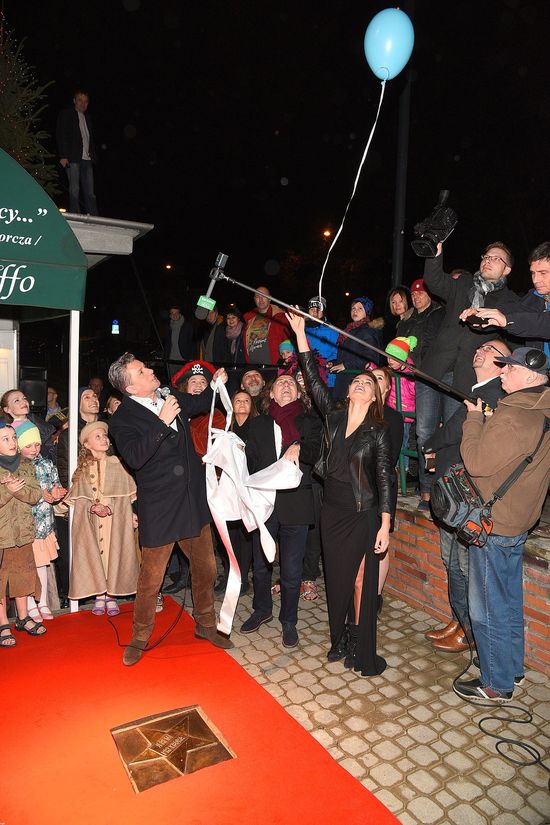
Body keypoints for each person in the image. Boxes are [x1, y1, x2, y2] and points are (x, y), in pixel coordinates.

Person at [107, 353, 232, 665]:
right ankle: (139, 636)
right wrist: (161, 421)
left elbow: (200, 403)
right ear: (130, 387)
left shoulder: (169, 395)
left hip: (192, 501)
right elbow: (135, 457)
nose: (150, 370)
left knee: (206, 567)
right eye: (141, 371)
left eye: (146, 367)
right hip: (160, 508)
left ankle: (205, 625)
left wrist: (215, 386)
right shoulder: (121, 420)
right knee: (151, 579)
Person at [290, 311, 392, 676]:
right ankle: (340, 638)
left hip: (363, 512)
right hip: (332, 509)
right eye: (357, 381)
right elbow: (313, 379)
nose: (361, 384)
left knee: (362, 579)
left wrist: (385, 524)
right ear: (347, 391)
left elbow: (385, 478)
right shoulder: (333, 416)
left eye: (368, 382)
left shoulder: (378, 430)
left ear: (376, 395)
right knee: (337, 579)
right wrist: (300, 335)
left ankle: (360, 644)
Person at [454, 347, 550, 703]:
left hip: (496, 524)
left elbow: (477, 462)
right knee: (509, 599)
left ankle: (496, 683)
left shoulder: (513, 417)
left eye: (509, 368)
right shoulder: (541, 408)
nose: (503, 372)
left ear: (530, 377)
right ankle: (512, 668)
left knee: (487, 606)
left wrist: (473, 420)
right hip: (519, 519)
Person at [423, 339, 510, 653]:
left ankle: (469, 630)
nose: (480, 350)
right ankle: (459, 620)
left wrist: (429, 445)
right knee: (452, 564)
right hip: (452, 496)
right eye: (481, 347)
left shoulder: (494, 396)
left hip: (467, 499)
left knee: (463, 567)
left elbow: (454, 433)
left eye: (489, 349)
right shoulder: (477, 391)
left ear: (502, 364)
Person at [240, 373, 322, 648]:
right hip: (264, 502)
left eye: (291, 383)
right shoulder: (258, 425)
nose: (286, 385)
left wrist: (298, 445)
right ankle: (262, 610)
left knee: (291, 568)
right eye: (280, 383)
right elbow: (250, 462)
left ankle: (289, 621)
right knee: (261, 565)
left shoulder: (309, 422)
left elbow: (315, 451)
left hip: (296, 503)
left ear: (298, 393)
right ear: (271, 394)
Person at [422, 241, 520, 396]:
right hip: (434, 368)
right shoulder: (463, 283)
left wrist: (475, 317)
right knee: (424, 414)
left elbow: (495, 330)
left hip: (467, 378)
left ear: (506, 269)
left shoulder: (511, 302)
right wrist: (435, 252)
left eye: (496, 259)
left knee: (455, 413)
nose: (488, 260)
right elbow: (434, 281)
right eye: (486, 257)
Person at [66, 421, 139, 616]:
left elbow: (125, 497)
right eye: (97, 436)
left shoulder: (117, 464)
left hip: (114, 521)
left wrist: (111, 508)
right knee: (95, 556)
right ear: (86, 444)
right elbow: (79, 498)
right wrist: (92, 507)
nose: (104, 439)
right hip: (92, 521)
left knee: (113, 554)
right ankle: (100, 595)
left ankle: (112, 595)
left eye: (105, 436)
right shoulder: (82, 469)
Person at [459, 241, 550, 355]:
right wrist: (480, 314)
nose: (535, 280)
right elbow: (512, 310)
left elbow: (543, 323)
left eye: (543, 273)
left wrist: (507, 320)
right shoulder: (534, 297)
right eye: (533, 273)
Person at [16, 421, 67, 622]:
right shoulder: (16, 467)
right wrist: (42, 495)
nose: (34, 449)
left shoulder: (47, 464)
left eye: (37, 444)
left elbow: (55, 485)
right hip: (26, 526)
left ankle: (43, 601)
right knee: (28, 567)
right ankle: (30, 604)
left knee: (43, 565)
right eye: (28, 445)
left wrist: (57, 492)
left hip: (44, 526)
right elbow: (20, 495)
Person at [0, 419, 44, 646]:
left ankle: (23, 617)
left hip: (23, 533)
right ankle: (2, 623)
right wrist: (7, 491)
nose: (12, 442)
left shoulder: (26, 464)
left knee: (23, 576)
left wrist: (17, 491)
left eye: (13, 438)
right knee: (1, 580)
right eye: (5, 439)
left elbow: (36, 495)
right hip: (2, 535)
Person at [372, 366, 404, 615]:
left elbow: (390, 457)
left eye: (379, 378)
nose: (373, 381)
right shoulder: (357, 413)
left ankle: (376, 595)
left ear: (388, 387)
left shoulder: (393, 417)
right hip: (355, 487)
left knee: (380, 542)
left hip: (380, 487)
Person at [228, 390, 259, 594]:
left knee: (245, 532)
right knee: (230, 531)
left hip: (249, 485)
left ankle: (243, 578)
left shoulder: (257, 428)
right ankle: (232, 573)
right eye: (237, 400)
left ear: (251, 405)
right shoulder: (226, 428)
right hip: (228, 486)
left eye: (246, 401)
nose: (241, 404)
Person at [331, 296, 383, 400]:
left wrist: (346, 365)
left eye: (360, 308)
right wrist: (334, 363)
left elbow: (371, 358)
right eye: (353, 308)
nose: (355, 311)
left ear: (367, 312)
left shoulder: (368, 332)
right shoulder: (349, 330)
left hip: (356, 381)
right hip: (344, 380)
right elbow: (347, 355)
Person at [56, 89, 98, 215]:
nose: (83, 103)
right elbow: (61, 134)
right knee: (74, 188)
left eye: (85, 101)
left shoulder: (87, 118)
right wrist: (63, 156)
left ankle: (94, 217)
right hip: (73, 158)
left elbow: (89, 139)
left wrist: (93, 155)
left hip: (87, 159)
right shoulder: (67, 114)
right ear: (74, 101)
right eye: (80, 100)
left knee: (90, 192)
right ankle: (76, 215)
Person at [384, 336, 417, 480]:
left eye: (394, 357)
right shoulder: (391, 370)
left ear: (402, 356)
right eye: (388, 356)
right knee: (392, 440)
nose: (390, 360)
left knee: (402, 441)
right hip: (393, 412)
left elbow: (415, 391)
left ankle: (403, 470)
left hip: (404, 414)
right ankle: (394, 469)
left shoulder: (410, 372)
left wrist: (410, 377)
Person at [1, 389, 56, 462]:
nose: (24, 402)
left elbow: (49, 450)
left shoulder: (38, 423)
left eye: (24, 398)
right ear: (7, 409)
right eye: (17, 400)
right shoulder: (5, 429)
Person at [243, 286, 290, 365]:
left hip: (275, 365)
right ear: (254, 299)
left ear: (270, 298)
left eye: (263, 296)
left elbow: (289, 341)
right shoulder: (249, 319)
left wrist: (287, 360)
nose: (260, 299)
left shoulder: (281, 317)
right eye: (257, 296)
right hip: (253, 366)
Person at [305, 296, 339, 388]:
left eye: (318, 309)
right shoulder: (303, 329)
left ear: (323, 311)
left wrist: (332, 361)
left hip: (327, 377)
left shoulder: (332, 330)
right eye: (312, 309)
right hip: (308, 375)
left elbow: (338, 351)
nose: (315, 312)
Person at [164, 306, 194, 378]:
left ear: (180, 314)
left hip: (184, 360)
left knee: (185, 381)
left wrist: (191, 358)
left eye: (176, 313)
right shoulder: (168, 327)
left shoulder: (187, 326)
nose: (174, 315)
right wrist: (166, 357)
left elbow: (192, 343)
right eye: (172, 313)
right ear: (170, 316)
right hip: (171, 361)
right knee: (173, 380)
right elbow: (167, 344)